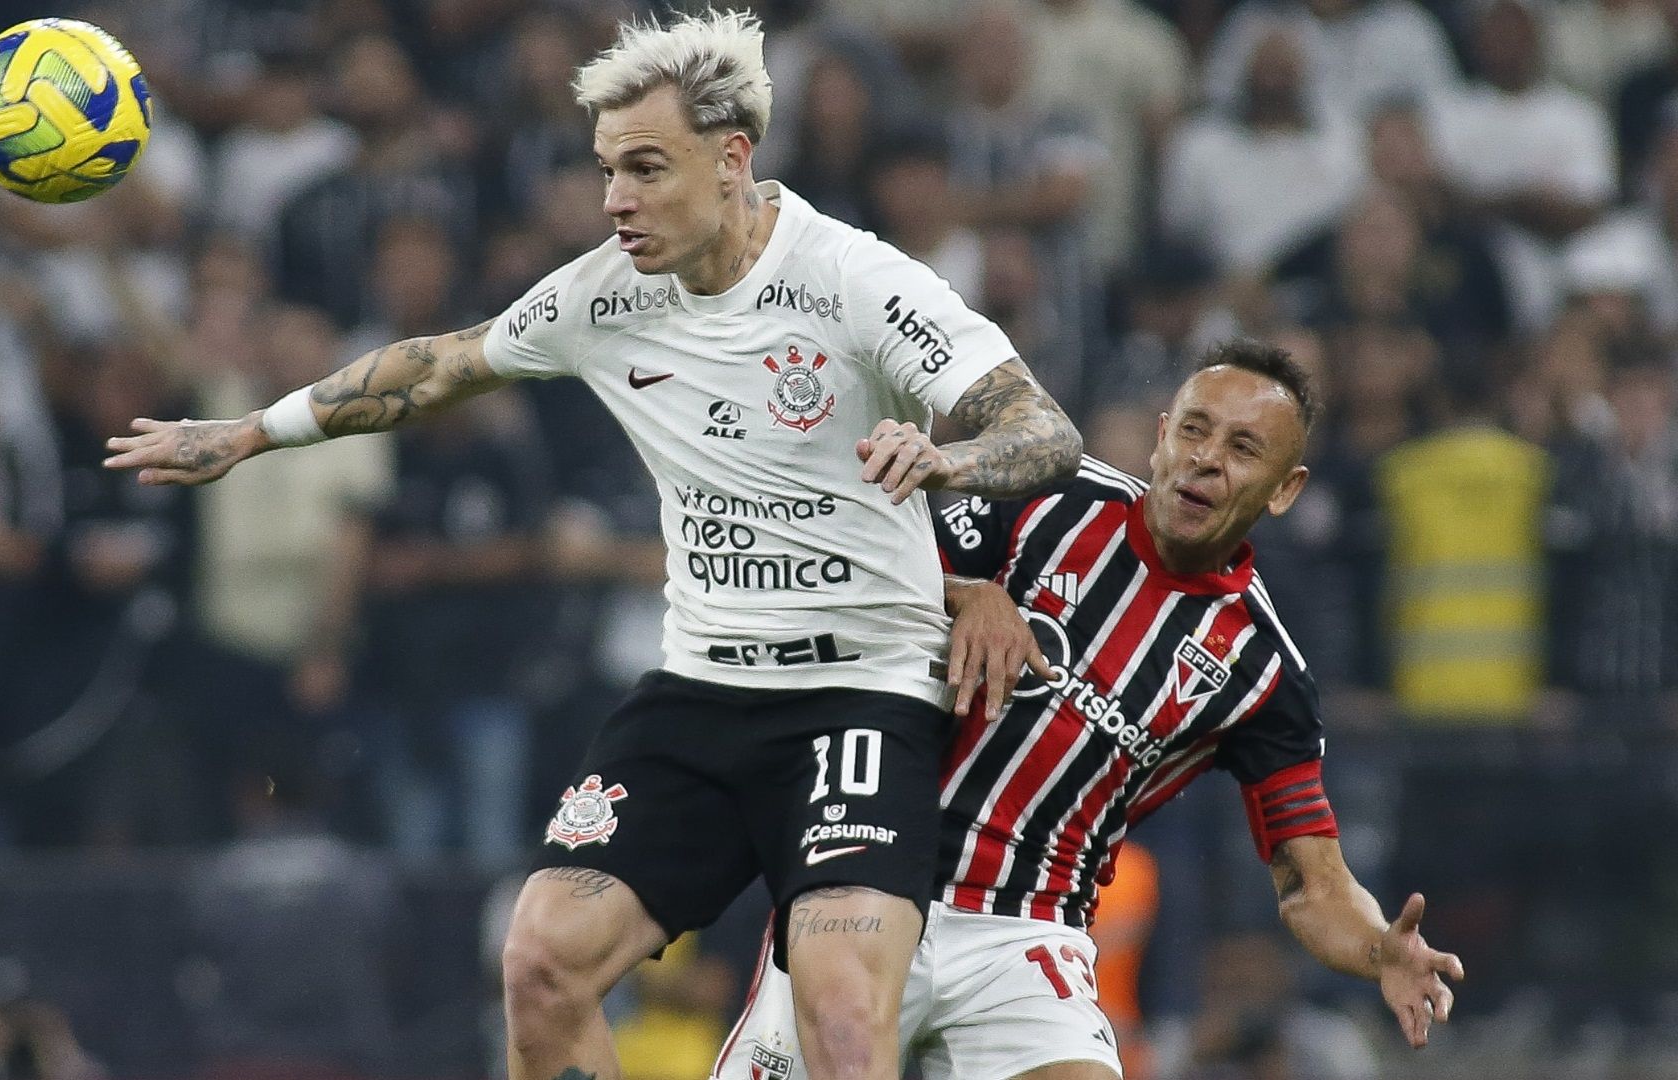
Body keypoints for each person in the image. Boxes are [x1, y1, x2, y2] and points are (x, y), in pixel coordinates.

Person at [103, 11, 1084, 1080]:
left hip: (860, 693)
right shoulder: (608, 291)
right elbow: (440, 365)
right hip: (702, 691)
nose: (615, 199)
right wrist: (255, 431)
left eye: (646, 169)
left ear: (732, 159)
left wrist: (949, 460)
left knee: (842, 1016)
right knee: (540, 960)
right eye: (608, 169)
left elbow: (1042, 430)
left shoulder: (858, 280)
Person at [715, 340, 1461, 1080]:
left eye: (1243, 448)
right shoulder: (1045, 495)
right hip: (866, 874)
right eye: (1195, 429)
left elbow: (1312, 883)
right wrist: (967, 593)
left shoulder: (1263, 672)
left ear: (1285, 489)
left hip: (1024, 931)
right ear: (1162, 435)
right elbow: (843, 579)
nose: (1206, 459)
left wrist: (1377, 949)